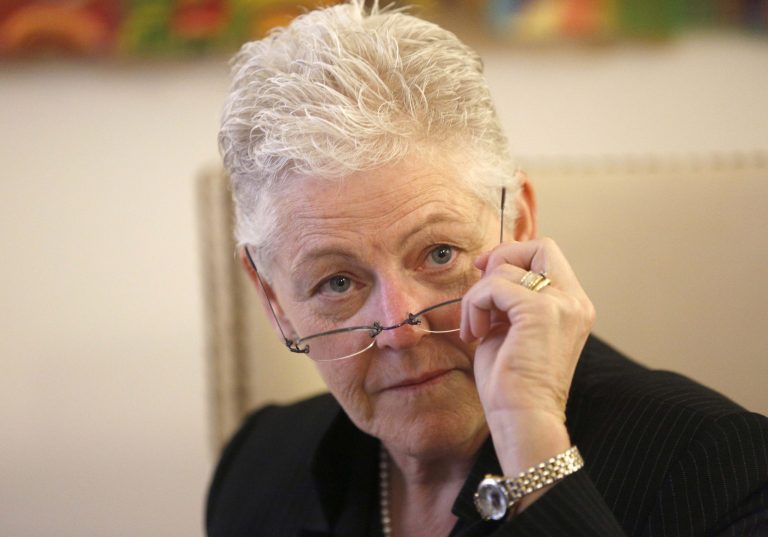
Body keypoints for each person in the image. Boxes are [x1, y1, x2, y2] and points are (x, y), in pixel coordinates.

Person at [206, 2, 768, 536]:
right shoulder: (256, 467)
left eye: (440, 253)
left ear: (518, 224)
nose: (401, 328)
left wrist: (532, 435)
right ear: (273, 297)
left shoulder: (717, 464)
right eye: (337, 283)